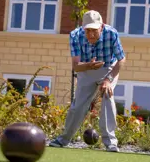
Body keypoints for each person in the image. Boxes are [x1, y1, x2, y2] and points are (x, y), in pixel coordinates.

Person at [49, 10, 126, 152]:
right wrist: (89, 65)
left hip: (108, 68)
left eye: (94, 30)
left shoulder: (111, 33)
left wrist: (108, 80)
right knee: (78, 106)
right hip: (85, 69)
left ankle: (111, 143)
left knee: (107, 94)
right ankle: (64, 139)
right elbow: (76, 67)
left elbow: (121, 59)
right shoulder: (75, 35)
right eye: (88, 30)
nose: (91, 34)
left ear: (101, 27)